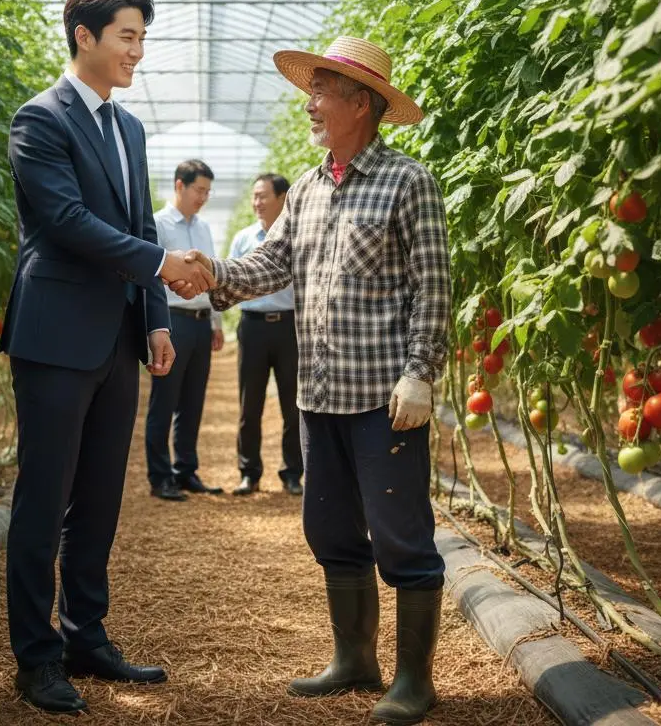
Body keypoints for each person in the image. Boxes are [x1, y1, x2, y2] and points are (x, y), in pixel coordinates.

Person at [179, 37, 451, 726]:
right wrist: (215, 276)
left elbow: (433, 288)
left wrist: (420, 373)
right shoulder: (305, 187)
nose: (310, 104)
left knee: (401, 539)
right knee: (330, 530)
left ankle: (416, 681)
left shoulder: (406, 182)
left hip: (384, 400)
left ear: (362, 104)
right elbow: (270, 266)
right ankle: (355, 660)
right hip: (319, 393)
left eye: (323, 91)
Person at [0, 0, 214, 715]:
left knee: (97, 500)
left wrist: (154, 316)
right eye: (128, 36)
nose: (138, 51)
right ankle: (36, 657)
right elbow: (64, 221)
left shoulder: (129, 129)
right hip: (56, 336)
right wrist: (160, 270)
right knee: (44, 495)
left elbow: (139, 229)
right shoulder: (40, 120)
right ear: (83, 36)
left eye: (143, 38)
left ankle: (86, 635)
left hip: (118, 336)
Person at [145, 159, 225, 500]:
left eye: (208, 191)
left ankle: (186, 470)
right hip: (172, 320)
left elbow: (210, 279)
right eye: (199, 190)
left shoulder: (204, 228)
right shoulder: (159, 225)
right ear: (179, 185)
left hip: (200, 322)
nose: (203, 197)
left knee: (193, 401)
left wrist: (216, 320)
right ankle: (160, 476)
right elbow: (149, 275)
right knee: (164, 401)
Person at [228, 173, 302, 497]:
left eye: (263, 196)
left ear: (282, 198)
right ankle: (249, 473)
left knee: (294, 403)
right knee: (250, 404)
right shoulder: (244, 239)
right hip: (253, 327)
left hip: (290, 327)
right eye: (254, 196)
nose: (257, 202)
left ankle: (292, 474)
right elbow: (229, 279)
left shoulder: (299, 237)